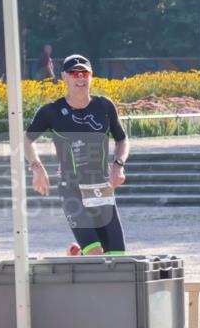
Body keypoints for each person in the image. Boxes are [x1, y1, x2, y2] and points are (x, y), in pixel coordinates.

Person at [24, 54, 129, 255]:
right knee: (95, 253)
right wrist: (37, 168)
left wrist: (118, 164)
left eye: (84, 73)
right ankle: (83, 254)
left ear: (91, 76)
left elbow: (122, 139)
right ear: (64, 77)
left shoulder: (104, 106)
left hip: (102, 188)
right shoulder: (51, 111)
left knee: (117, 257)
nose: (80, 78)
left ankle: (77, 254)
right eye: (74, 73)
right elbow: (27, 140)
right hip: (72, 189)